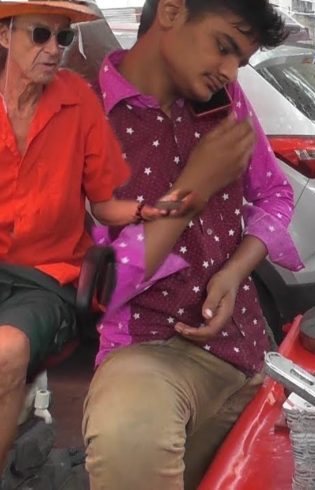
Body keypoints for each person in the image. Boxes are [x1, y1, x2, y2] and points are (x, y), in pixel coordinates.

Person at [81, 0, 303, 488]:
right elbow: (106, 282)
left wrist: (234, 271)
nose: (228, 72)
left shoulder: (225, 102)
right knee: (130, 442)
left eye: (240, 62)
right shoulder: (87, 116)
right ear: (172, 11)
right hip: (147, 351)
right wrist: (194, 187)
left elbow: (275, 195)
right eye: (223, 47)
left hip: (246, 349)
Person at [0, 0, 189, 468]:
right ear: (5, 36)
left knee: (6, 352)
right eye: (40, 34)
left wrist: (148, 209)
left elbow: (104, 203)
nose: (53, 49)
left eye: (62, 39)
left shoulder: (78, 101)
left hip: (46, 279)